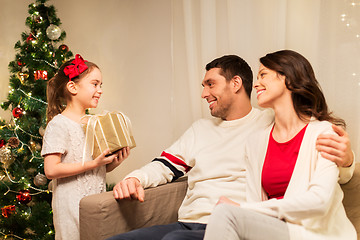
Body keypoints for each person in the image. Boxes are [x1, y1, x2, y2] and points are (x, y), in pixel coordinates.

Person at [108, 55, 354, 240]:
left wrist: (348, 159)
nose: (204, 94)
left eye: (210, 84)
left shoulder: (267, 122)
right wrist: (136, 178)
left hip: (237, 220)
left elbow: (320, 159)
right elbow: (165, 165)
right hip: (192, 221)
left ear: (235, 83)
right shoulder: (206, 130)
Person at [203, 50, 357, 240]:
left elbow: (319, 203)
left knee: (226, 213)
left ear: (288, 78)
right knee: (223, 215)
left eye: (263, 75)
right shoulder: (255, 142)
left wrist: (242, 208)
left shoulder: (323, 133)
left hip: (315, 234)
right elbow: (254, 201)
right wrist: (247, 211)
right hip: (274, 231)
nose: (256, 83)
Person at [41, 54, 130, 240]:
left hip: (96, 202)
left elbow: (95, 165)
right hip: (71, 205)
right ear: (73, 87)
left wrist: (113, 162)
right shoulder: (59, 124)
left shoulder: (94, 123)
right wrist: (92, 164)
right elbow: (50, 170)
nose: (100, 90)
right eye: (95, 84)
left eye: (101, 85)